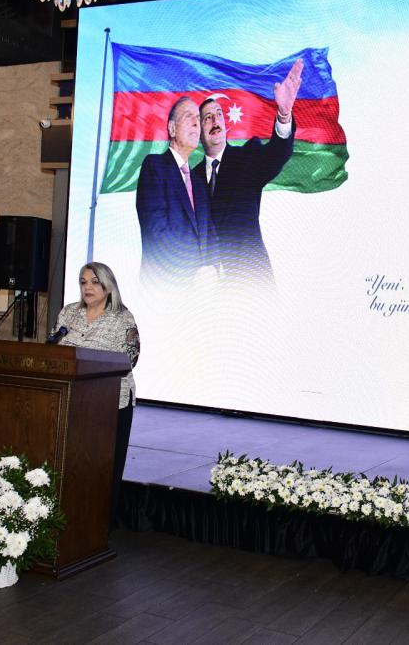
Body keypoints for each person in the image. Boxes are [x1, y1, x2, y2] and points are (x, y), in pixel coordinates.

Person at [196, 58, 303, 286]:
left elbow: (277, 153)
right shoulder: (187, 179)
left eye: (219, 114)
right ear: (198, 132)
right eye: (207, 118)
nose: (215, 120)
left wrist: (284, 114)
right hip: (204, 293)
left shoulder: (247, 157)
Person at [50, 262, 140, 521]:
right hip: (71, 400)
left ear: (108, 286)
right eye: (83, 282)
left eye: (94, 282)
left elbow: (130, 359)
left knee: (104, 467)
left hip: (111, 402)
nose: (87, 287)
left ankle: (102, 523)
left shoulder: (122, 318)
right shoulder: (69, 313)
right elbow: (54, 349)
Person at [136, 96, 218, 290]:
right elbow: (156, 231)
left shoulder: (199, 183)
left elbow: (210, 234)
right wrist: (195, 270)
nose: (197, 123)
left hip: (200, 293)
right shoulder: (154, 166)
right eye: (189, 116)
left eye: (198, 118)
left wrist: (213, 268)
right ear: (172, 129)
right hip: (164, 288)